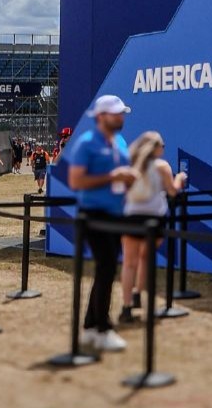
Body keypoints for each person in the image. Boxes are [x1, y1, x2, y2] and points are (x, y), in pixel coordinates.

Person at [67, 95, 138, 352]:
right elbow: (76, 181)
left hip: (116, 213)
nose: (121, 117)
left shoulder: (121, 142)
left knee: (105, 269)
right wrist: (112, 177)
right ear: (100, 116)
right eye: (116, 113)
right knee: (107, 268)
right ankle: (103, 328)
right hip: (93, 214)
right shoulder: (86, 143)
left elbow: (120, 176)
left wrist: (128, 178)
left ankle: (90, 326)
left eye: (122, 113)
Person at [119, 131, 187, 324]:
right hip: (155, 218)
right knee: (146, 258)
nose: (163, 149)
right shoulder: (162, 166)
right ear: (155, 148)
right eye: (162, 145)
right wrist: (180, 179)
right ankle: (138, 293)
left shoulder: (130, 165)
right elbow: (172, 191)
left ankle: (126, 307)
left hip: (132, 216)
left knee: (129, 263)